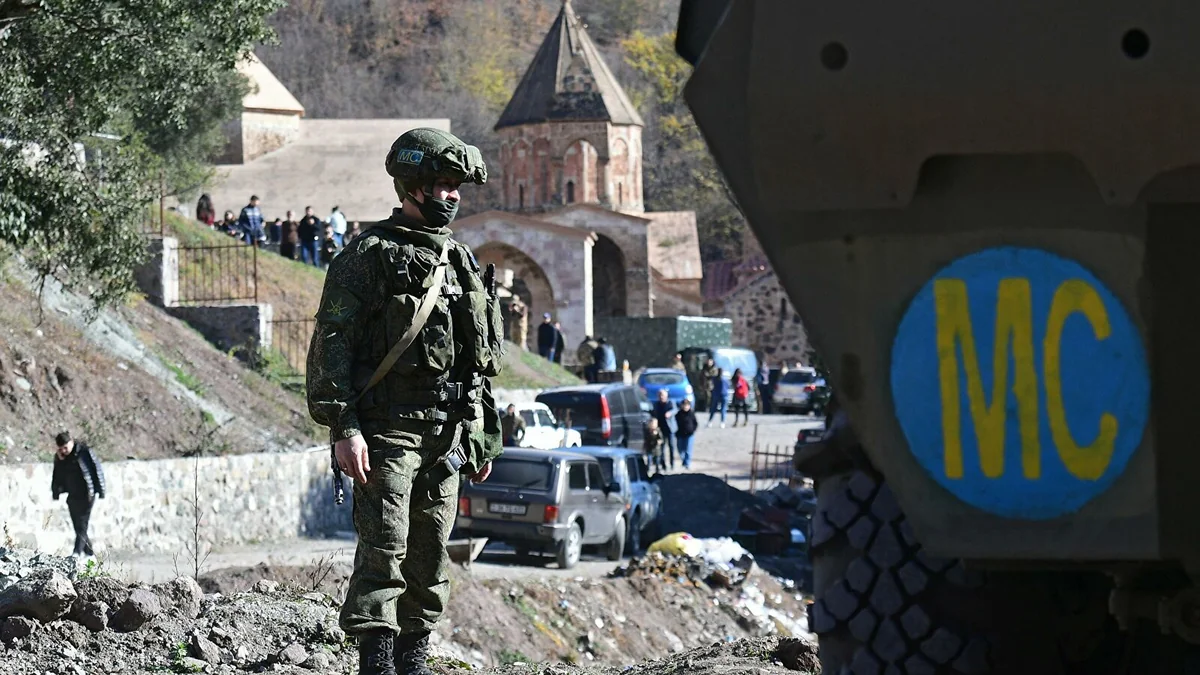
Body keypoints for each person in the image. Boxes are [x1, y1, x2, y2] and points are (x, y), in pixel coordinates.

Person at [307, 127, 500, 675]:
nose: (451, 195)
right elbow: (331, 347)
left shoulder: (460, 261)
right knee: (383, 551)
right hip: (386, 431)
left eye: (456, 185)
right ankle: (377, 665)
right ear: (410, 185)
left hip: (447, 437)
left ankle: (414, 664)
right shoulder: (368, 256)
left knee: (431, 556)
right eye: (440, 184)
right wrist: (343, 427)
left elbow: (478, 360)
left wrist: (483, 436)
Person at [50, 431, 105, 557]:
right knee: (78, 526)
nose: (64, 450)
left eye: (65, 447)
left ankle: (76, 553)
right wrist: (55, 492)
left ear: (71, 442)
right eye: (61, 448)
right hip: (72, 496)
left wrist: (101, 490)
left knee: (82, 525)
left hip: (87, 495)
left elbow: (97, 470)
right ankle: (89, 553)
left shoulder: (84, 452)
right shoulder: (61, 458)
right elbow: (56, 475)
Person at [651, 389, 678, 470]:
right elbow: (653, 414)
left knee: (671, 447)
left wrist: (670, 413)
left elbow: (675, 410)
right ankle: (663, 465)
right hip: (661, 429)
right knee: (661, 448)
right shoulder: (656, 404)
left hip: (670, 429)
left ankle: (672, 463)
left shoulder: (670, 403)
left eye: (663, 395)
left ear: (666, 396)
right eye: (660, 396)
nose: (661, 397)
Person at [675, 398, 698, 469]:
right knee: (680, 449)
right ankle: (684, 461)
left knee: (688, 450)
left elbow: (695, 423)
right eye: (684, 405)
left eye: (687, 405)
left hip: (689, 434)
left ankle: (687, 464)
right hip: (680, 434)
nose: (685, 407)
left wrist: (692, 430)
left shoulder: (691, 413)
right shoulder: (678, 414)